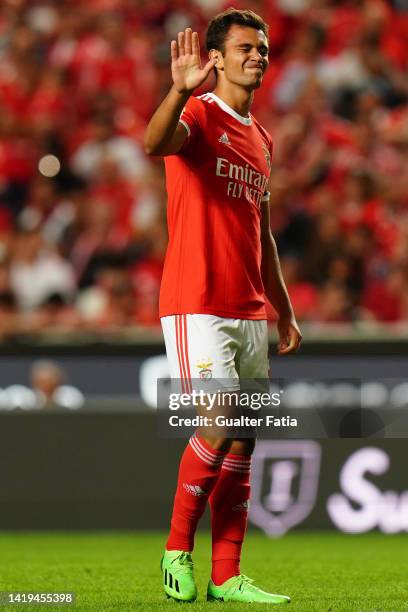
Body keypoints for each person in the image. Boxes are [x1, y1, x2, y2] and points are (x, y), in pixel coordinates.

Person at [144, 8, 301, 604]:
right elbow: (154, 142)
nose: (258, 55)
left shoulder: (261, 138)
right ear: (215, 57)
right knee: (219, 421)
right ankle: (176, 552)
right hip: (197, 302)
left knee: (245, 437)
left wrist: (283, 309)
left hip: (249, 306)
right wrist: (177, 89)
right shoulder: (199, 113)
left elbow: (262, 234)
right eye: (245, 47)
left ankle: (226, 575)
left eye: (262, 47)